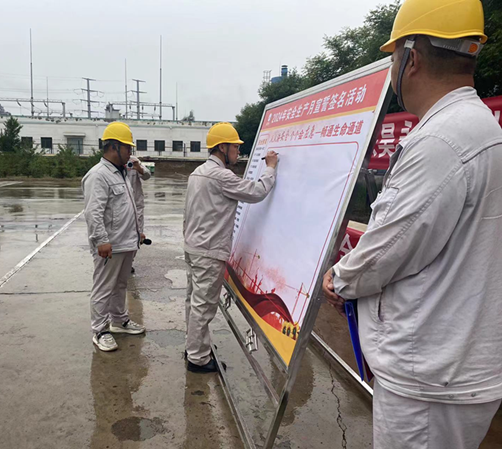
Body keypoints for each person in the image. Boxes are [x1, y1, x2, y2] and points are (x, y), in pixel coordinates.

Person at [321, 0, 502, 447]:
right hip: (453, 364)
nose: (391, 70)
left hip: (428, 377)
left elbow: (388, 248)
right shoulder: (478, 126)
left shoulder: (442, 139)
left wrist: (338, 279)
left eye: (392, 59)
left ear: (412, 59)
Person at [183, 122, 279, 373]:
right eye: (235, 147)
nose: (238, 152)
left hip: (194, 247)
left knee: (194, 301)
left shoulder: (197, 173)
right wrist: (270, 168)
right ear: (222, 148)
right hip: (208, 251)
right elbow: (257, 191)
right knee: (203, 305)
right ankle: (198, 358)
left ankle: (193, 346)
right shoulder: (221, 176)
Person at [82, 122, 146, 352]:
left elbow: (130, 205)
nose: (130, 152)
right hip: (110, 244)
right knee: (104, 287)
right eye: (127, 148)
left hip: (126, 241)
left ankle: (119, 321)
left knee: (120, 284)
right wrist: (101, 240)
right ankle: (100, 330)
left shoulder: (122, 172)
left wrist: (138, 232)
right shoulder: (98, 176)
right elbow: (93, 212)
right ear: (114, 147)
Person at [126, 156, 151, 274]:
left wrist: (138, 168)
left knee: (137, 234)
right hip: (121, 204)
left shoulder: (134, 161)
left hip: (136, 204)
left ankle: (129, 263)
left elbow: (147, 175)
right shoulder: (113, 163)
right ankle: (121, 262)